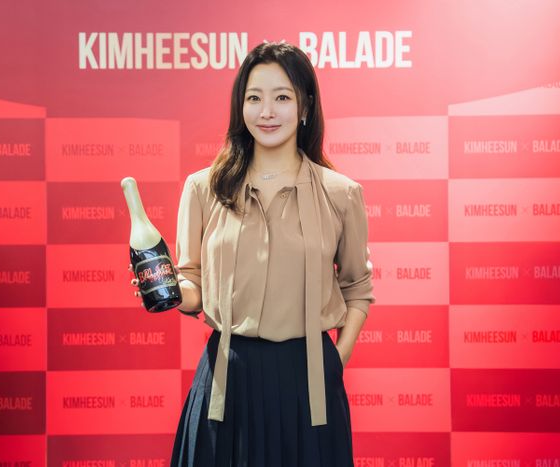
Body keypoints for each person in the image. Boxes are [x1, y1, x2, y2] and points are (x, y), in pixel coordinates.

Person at [128, 40, 375, 467]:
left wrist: (337, 358)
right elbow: (194, 284)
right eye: (254, 98)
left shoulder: (341, 193)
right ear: (240, 107)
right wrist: (171, 289)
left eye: (282, 98)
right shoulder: (204, 188)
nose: (267, 112)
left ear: (305, 106)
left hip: (309, 380)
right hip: (226, 380)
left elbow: (357, 287)